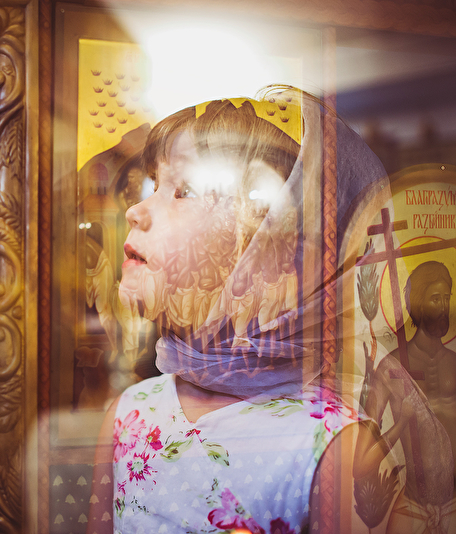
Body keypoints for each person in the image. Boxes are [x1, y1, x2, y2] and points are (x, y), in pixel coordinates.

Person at [87, 91, 394, 534]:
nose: (135, 211)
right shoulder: (129, 416)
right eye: (155, 185)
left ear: (266, 252)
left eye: (183, 190)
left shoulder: (333, 447)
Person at [355, 261, 456, 533]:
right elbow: (361, 465)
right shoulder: (391, 369)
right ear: (418, 304)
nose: (444, 308)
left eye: (447, 298)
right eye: (435, 299)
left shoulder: (455, 364)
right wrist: (401, 424)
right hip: (411, 511)